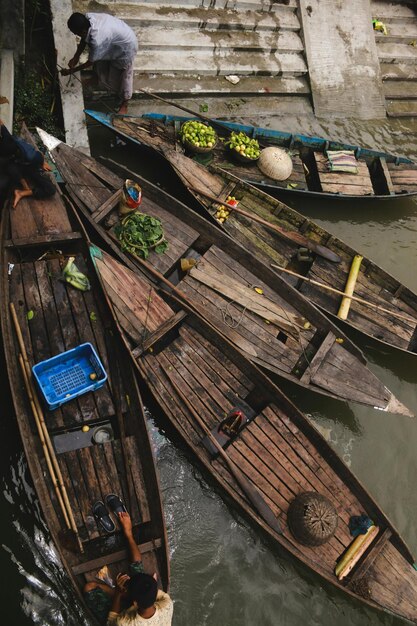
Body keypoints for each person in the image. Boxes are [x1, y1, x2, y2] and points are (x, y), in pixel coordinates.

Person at [84, 511, 173, 625]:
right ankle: (128, 534)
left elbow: (111, 622)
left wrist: (118, 593)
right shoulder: (166, 603)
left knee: (89, 587)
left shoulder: (124, 622)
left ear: (134, 603)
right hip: (139, 604)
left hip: (120, 619)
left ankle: (123, 594)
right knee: (140, 580)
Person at [61, 12, 138, 114]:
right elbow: (84, 39)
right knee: (101, 64)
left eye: (75, 33)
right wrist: (76, 57)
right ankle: (98, 78)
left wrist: (71, 71)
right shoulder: (88, 18)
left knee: (122, 76)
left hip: (126, 48)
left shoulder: (97, 39)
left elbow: (90, 62)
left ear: (83, 31)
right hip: (116, 39)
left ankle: (125, 101)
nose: (75, 35)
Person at [0, 120, 55, 209]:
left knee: (50, 190)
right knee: (9, 167)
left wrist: (43, 163)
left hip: (31, 166)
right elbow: (1, 123)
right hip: (18, 163)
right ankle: (23, 187)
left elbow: (40, 154)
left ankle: (22, 193)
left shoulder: (31, 156)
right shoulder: (7, 138)